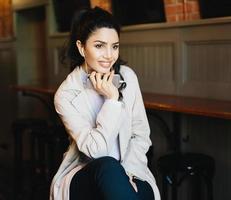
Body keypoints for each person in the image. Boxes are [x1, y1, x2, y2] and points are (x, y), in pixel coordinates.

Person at [49, 6, 160, 200]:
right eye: (99, 46)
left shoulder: (127, 76)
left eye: (114, 46)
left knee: (141, 193)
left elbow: (141, 134)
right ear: (81, 47)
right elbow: (96, 151)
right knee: (108, 166)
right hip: (86, 174)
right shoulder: (66, 95)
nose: (109, 55)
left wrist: (128, 174)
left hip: (130, 169)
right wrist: (112, 100)